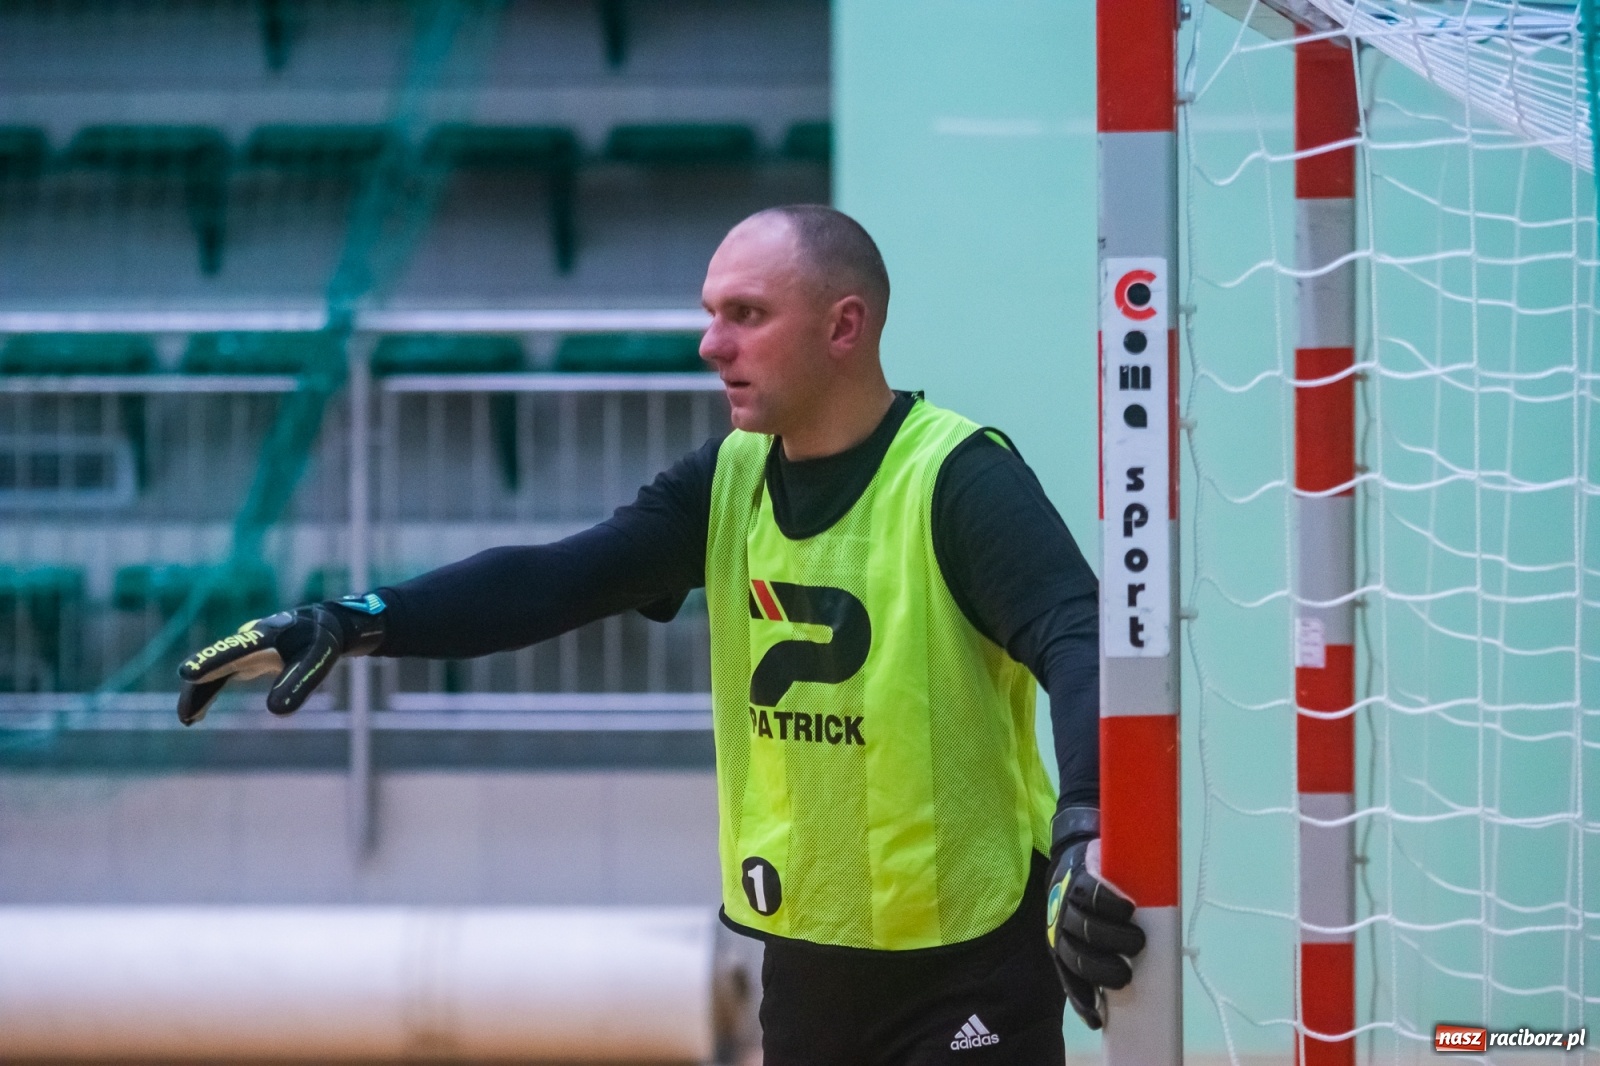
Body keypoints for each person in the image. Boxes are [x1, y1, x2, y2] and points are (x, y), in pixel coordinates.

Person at [176, 204, 1145, 1063]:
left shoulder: (956, 475)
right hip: (808, 956)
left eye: (745, 315)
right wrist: (356, 620)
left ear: (843, 325)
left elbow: (1073, 626)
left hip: (968, 963)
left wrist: (1087, 825)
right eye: (710, 312)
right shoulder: (726, 480)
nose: (709, 345)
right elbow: (557, 580)